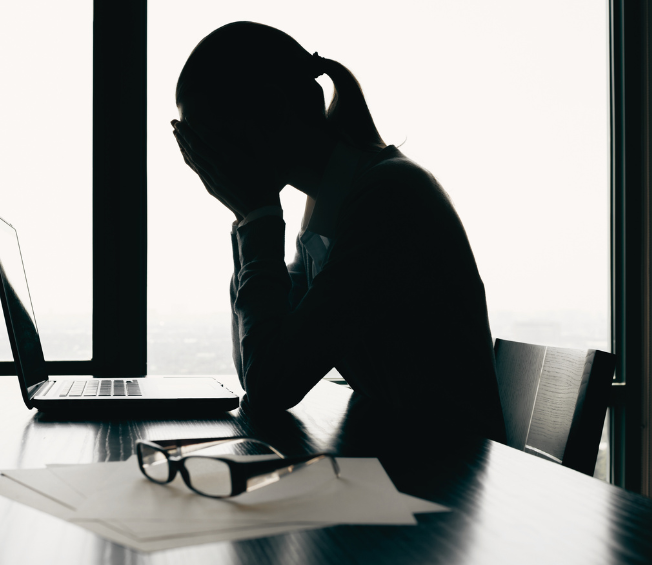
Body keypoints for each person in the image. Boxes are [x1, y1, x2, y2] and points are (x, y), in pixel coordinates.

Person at [172, 22, 506, 443]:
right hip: (409, 456)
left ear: (274, 108)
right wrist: (248, 221)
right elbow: (259, 366)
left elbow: (272, 384)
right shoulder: (333, 198)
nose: (208, 164)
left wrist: (256, 217)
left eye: (208, 142)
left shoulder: (389, 196)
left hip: (446, 473)